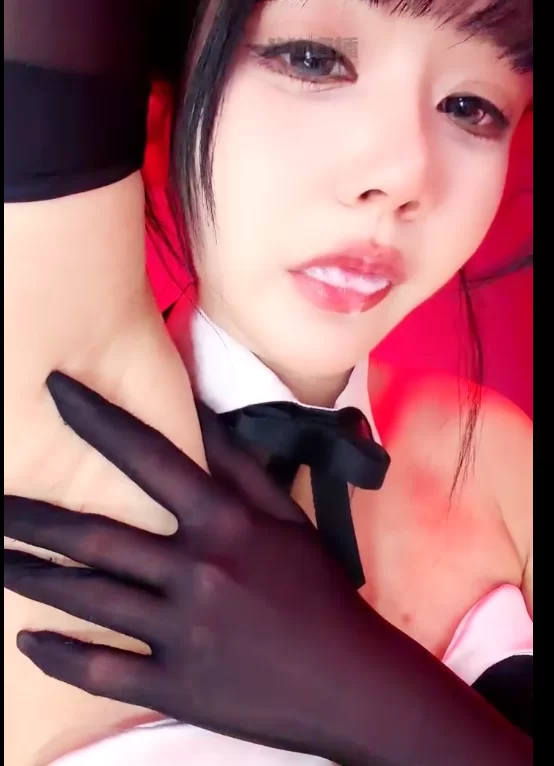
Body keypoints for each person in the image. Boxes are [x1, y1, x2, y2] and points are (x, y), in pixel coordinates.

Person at [4, 0, 533, 764]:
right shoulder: (46, 425)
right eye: (312, 60)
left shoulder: (495, 454)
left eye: (470, 106)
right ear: (166, 103)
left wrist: (368, 699)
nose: (402, 176)